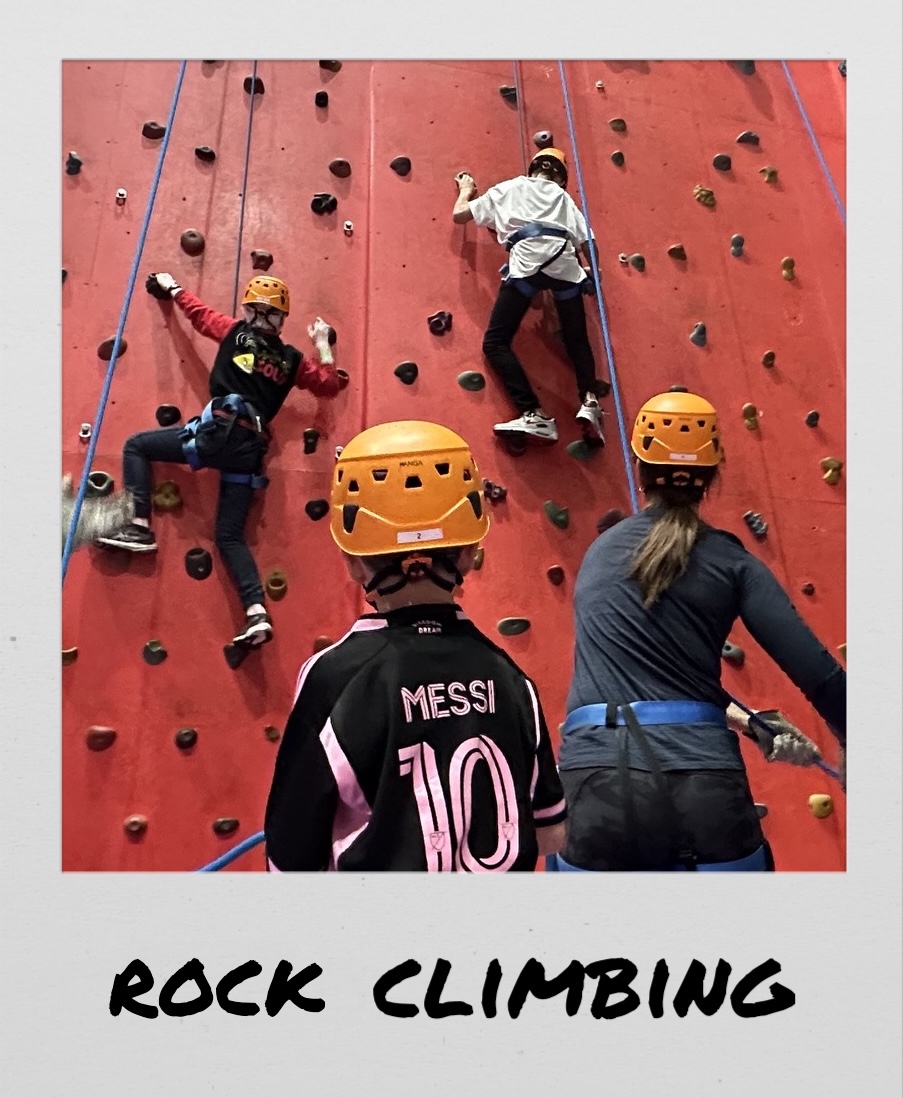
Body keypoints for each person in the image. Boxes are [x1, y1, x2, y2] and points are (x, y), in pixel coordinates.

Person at [555, 389, 846, 872]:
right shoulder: (731, 560)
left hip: (597, 783)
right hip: (703, 783)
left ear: (640, 468)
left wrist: (753, 722)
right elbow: (817, 670)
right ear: (712, 476)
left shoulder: (600, 553)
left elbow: (642, 687)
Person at [264, 420, 568, 871]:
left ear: (352, 562)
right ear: (469, 553)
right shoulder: (511, 677)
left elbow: (291, 854)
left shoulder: (336, 677)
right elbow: (551, 833)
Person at [96, 273, 343, 648]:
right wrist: (323, 343)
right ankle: (256, 612)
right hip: (249, 450)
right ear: (282, 319)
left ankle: (139, 524)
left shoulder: (234, 331)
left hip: (218, 434)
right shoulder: (292, 361)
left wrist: (173, 286)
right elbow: (330, 383)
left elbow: (199, 315)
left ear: (249, 311)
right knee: (229, 537)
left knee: (136, 446)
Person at [452, 147, 610, 447]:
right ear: (561, 179)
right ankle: (589, 400)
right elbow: (587, 240)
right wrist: (594, 274)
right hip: (565, 264)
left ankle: (533, 412)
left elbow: (460, 215)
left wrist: (466, 190)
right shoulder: (564, 199)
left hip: (526, 265)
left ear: (532, 169)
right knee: (577, 339)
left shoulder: (510, 188)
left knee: (496, 343)